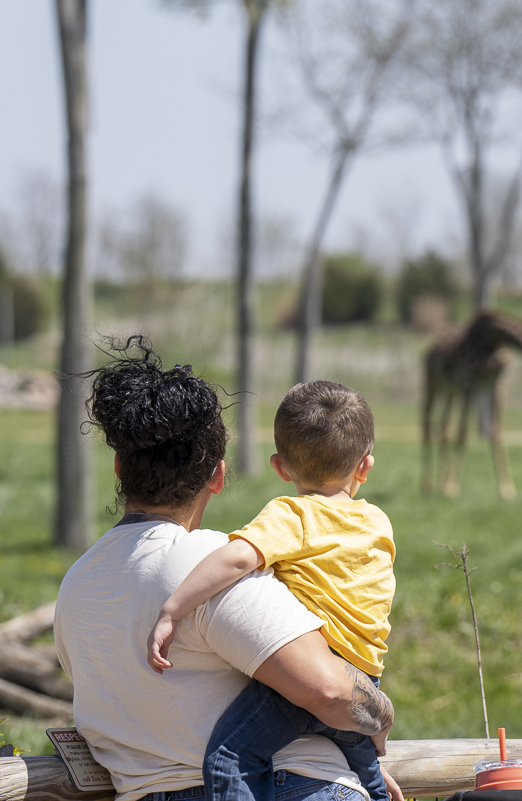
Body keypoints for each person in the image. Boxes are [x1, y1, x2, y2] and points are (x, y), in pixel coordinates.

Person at [53, 339, 400, 801]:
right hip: (287, 786)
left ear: (119, 468)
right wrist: (381, 714)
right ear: (217, 475)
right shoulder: (206, 564)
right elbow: (331, 691)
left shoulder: (76, 584)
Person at [147, 380, 394, 801]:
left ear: (280, 468)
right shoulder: (377, 522)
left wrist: (172, 609)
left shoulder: (293, 514)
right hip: (363, 679)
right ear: (365, 466)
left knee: (229, 757)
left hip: (305, 680)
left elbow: (237, 559)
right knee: (369, 775)